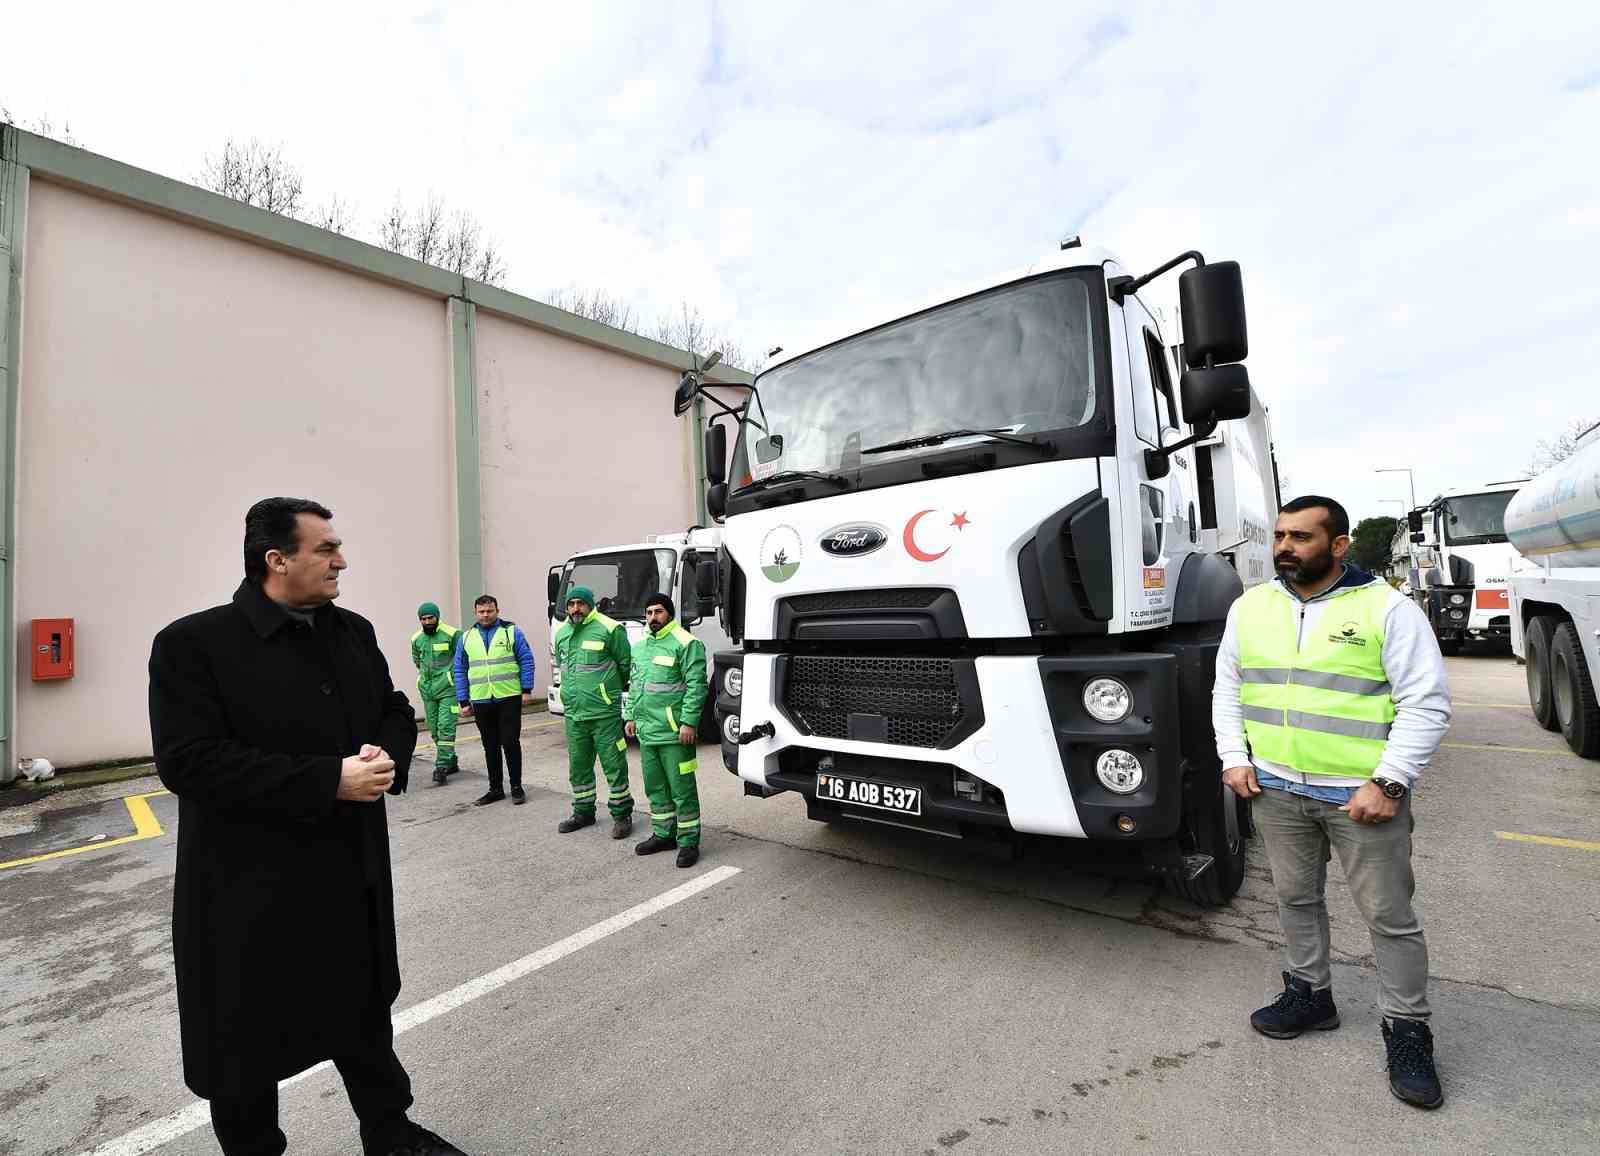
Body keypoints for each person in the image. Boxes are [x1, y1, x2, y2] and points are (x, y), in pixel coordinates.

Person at [147, 497, 464, 1156]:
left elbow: (395, 709)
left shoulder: (352, 632)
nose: (340, 559)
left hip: (348, 877)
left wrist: (386, 752)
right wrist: (329, 780)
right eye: (326, 549)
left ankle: (390, 1132)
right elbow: (190, 761)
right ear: (276, 558)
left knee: (364, 1020)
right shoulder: (192, 646)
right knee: (243, 1051)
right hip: (246, 895)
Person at [1213, 494, 1452, 1110]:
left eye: (1302, 538)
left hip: (1360, 798)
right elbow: (1229, 688)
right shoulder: (1251, 607)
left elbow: (1425, 703)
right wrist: (1234, 758)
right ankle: (1310, 995)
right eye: (1281, 537)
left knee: (1389, 919)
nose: (1285, 548)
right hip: (1276, 790)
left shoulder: (1386, 609)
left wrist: (1389, 781)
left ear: (1339, 544)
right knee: (1295, 899)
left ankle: (1407, 1031)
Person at [623, 592, 707, 868]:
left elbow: (697, 686)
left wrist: (689, 722)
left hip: (675, 733)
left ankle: (688, 841)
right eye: (648, 613)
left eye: (658, 612)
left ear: (669, 613)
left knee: (682, 789)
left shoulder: (687, 643)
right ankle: (663, 834)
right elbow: (635, 685)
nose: (652, 618)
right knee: (656, 787)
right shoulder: (641, 645)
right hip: (648, 732)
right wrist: (631, 716)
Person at [550, 584, 635, 837]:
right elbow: (563, 668)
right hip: (574, 714)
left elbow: (625, 666)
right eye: (571, 604)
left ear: (590, 604)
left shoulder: (610, 629)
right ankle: (583, 812)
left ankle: (622, 815)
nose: (576, 609)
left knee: (614, 765)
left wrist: (605, 692)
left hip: (604, 713)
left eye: (581, 604)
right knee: (579, 767)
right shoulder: (563, 633)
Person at [453, 595, 536, 806]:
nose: (485, 615)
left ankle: (516, 787)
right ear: (475, 612)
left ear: (497, 610)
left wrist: (526, 689)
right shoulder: (466, 637)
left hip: (508, 696)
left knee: (510, 742)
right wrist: (463, 700)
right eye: (481, 611)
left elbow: (526, 659)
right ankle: (495, 789)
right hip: (481, 699)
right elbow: (460, 670)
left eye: (489, 611)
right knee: (490, 746)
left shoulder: (511, 631)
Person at [411, 602, 462, 786]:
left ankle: (441, 767)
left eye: (430, 618)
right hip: (428, 691)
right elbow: (417, 660)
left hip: (449, 690)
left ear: (437, 616)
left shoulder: (452, 634)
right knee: (434, 729)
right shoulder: (416, 638)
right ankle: (451, 760)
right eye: (423, 619)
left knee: (445, 727)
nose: (427, 622)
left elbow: (462, 660)